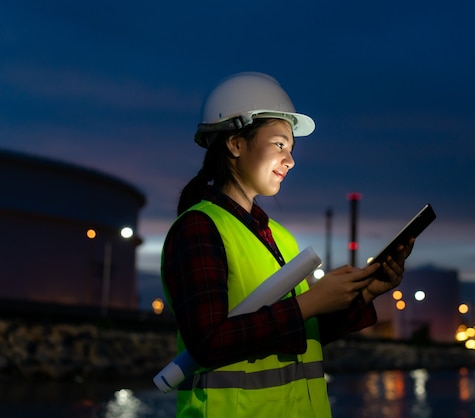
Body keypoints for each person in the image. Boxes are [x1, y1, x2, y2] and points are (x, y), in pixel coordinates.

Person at [161, 72, 414, 417]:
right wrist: (309, 303)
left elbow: (300, 334)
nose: (290, 160)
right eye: (280, 144)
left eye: (291, 149)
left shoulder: (279, 236)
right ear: (235, 143)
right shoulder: (199, 228)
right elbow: (207, 342)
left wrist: (366, 292)